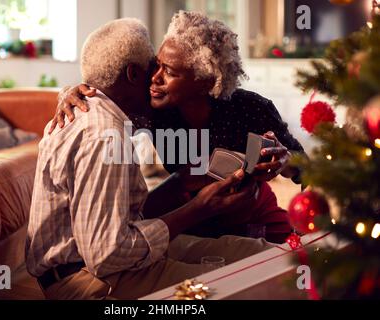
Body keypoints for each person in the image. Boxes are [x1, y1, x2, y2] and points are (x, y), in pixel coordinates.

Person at [26, 18, 272, 300]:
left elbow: (120, 227)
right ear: (133, 73)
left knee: (255, 256)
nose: (157, 78)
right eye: (154, 66)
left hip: (106, 262)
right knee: (239, 285)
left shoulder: (94, 111)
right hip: (87, 281)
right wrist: (199, 207)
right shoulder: (105, 134)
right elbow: (107, 255)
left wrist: (181, 182)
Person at [51, 11, 306, 244]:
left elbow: (305, 170)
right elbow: (109, 98)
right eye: (156, 65)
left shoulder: (251, 108)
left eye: (169, 72)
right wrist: (71, 91)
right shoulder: (154, 111)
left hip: (251, 216)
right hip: (192, 219)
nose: (154, 77)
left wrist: (284, 160)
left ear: (206, 80)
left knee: (296, 267)